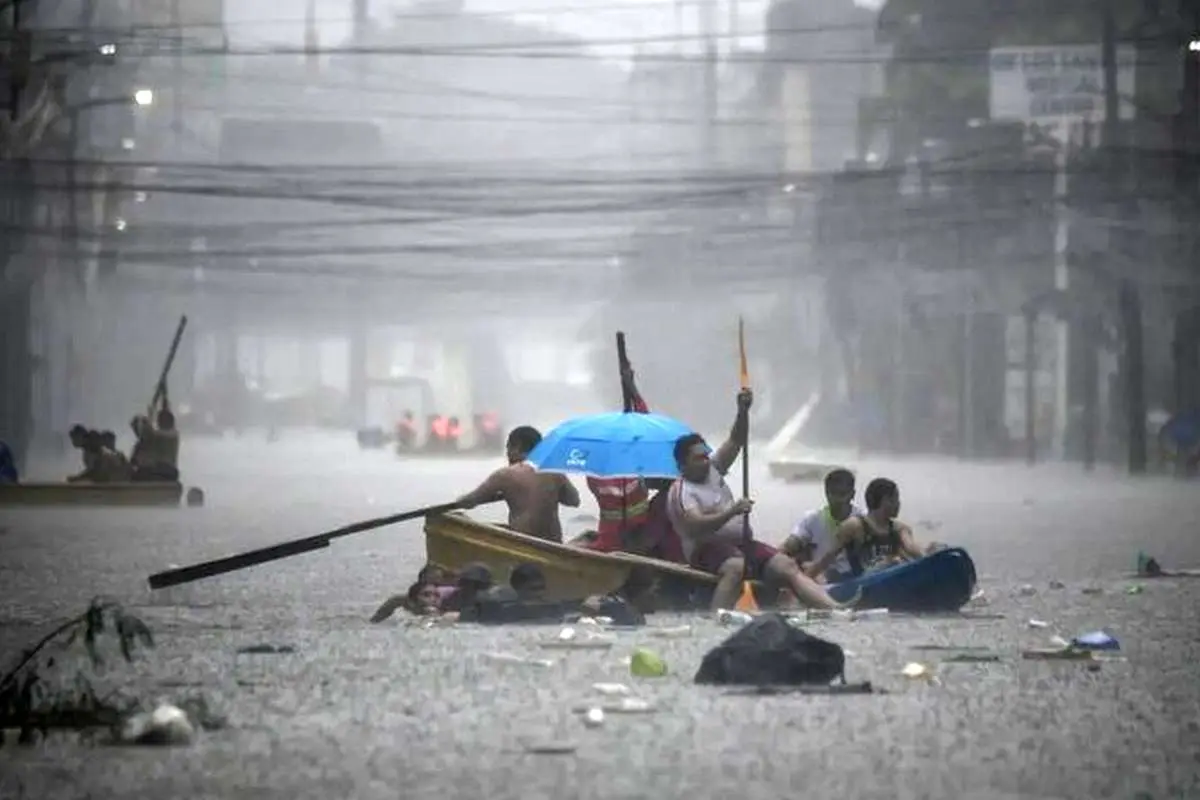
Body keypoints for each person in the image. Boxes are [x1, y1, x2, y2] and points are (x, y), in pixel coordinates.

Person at [666, 389, 858, 612]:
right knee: (736, 567)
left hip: (741, 544)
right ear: (682, 466)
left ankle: (835, 609)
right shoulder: (682, 490)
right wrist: (732, 512)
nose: (705, 461)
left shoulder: (714, 469)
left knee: (786, 565)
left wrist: (743, 410)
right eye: (698, 458)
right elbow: (695, 524)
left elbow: (736, 440)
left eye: (705, 455)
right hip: (705, 550)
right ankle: (717, 618)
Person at [455, 425, 580, 543]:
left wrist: (460, 500)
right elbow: (574, 501)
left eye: (508, 449)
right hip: (554, 544)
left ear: (516, 447)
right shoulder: (554, 471)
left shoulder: (504, 475)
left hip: (523, 543)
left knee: (458, 518)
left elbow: (469, 501)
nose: (507, 454)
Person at [584, 361, 653, 554]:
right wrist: (632, 387)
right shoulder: (629, 465)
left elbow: (644, 424)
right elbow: (645, 424)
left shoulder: (594, 471)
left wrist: (631, 387)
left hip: (627, 541)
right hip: (618, 542)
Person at [804, 477, 934, 579]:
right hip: (863, 580)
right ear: (884, 501)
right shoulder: (854, 526)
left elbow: (911, 547)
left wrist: (931, 557)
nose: (898, 504)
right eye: (895, 499)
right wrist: (805, 580)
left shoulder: (899, 528)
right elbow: (827, 559)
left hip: (893, 572)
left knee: (901, 560)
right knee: (893, 561)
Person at [781, 468, 863, 582]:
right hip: (820, 576)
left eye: (843, 494)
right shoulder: (812, 518)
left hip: (854, 577)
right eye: (833, 493)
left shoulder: (862, 519)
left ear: (852, 494)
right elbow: (790, 544)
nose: (838, 500)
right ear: (826, 493)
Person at [130, 403, 181, 482]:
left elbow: (152, 432)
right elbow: (133, 463)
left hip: (166, 472)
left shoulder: (170, 435)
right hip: (159, 472)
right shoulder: (152, 438)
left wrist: (150, 416)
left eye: (160, 421)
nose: (158, 423)